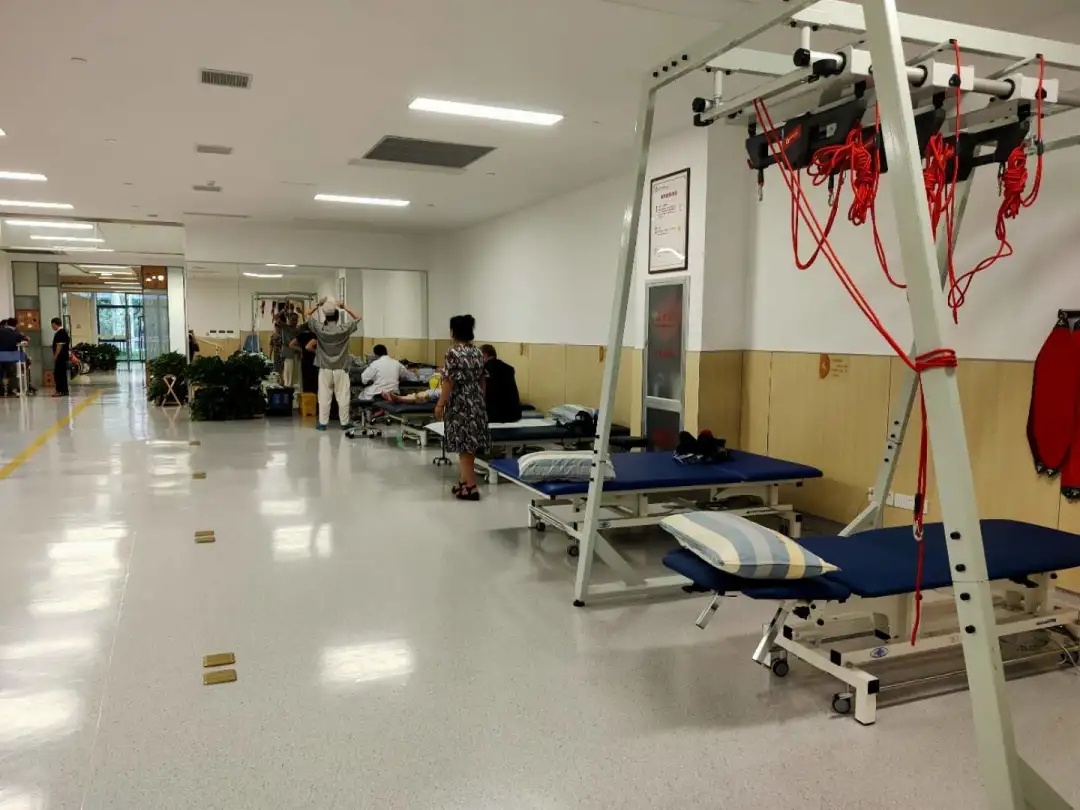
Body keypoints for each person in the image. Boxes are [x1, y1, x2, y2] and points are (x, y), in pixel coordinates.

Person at [436, 315, 490, 501]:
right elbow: (483, 379)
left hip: (460, 402)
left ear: (454, 331)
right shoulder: (477, 352)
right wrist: (479, 400)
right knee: (469, 444)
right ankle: (463, 480)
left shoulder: (453, 352)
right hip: (476, 401)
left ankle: (471, 486)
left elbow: (448, 381)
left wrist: (440, 404)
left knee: (464, 444)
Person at [305, 296, 361, 430]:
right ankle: (344, 423)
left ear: (326, 317)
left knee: (324, 396)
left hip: (325, 368)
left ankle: (323, 423)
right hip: (341, 368)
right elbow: (358, 317)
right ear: (337, 318)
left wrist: (319, 304)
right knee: (343, 396)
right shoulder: (344, 329)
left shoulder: (320, 329)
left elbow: (306, 315)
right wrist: (344, 307)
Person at [480, 344, 522, 423]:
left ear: (484, 355)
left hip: (494, 417)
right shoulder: (509, 369)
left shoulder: (483, 370)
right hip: (514, 415)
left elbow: (483, 395)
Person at [0, 318, 27, 397]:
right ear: (16, 325)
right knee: (11, 374)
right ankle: (11, 391)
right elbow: (24, 339)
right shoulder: (15, 333)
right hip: (10, 356)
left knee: (0, 374)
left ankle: (1, 391)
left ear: (6, 324)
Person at [290, 319, 318, 394]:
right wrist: (316, 351)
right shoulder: (314, 335)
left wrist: (300, 349)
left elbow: (291, 344)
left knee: (305, 378)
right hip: (313, 359)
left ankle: (306, 395)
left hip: (304, 359)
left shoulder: (301, 335)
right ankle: (314, 395)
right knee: (313, 379)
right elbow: (309, 347)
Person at [50, 317, 70, 397]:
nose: (52, 327)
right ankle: (64, 390)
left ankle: (60, 391)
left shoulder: (60, 333)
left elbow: (59, 346)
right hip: (63, 356)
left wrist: (55, 356)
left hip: (60, 357)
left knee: (58, 374)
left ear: (55, 324)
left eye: (52, 325)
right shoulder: (63, 332)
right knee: (62, 374)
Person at [281, 311, 300, 389]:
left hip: (297, 354)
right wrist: (283, 311)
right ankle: (288, 389)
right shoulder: (285, 327)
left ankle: (294, 389)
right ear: (288, 319)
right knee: (289, 374)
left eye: (296, 319)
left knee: (296, 375)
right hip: (288, 353)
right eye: (293, 319)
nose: (295, 321)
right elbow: (276, 318)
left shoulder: (298, 329)